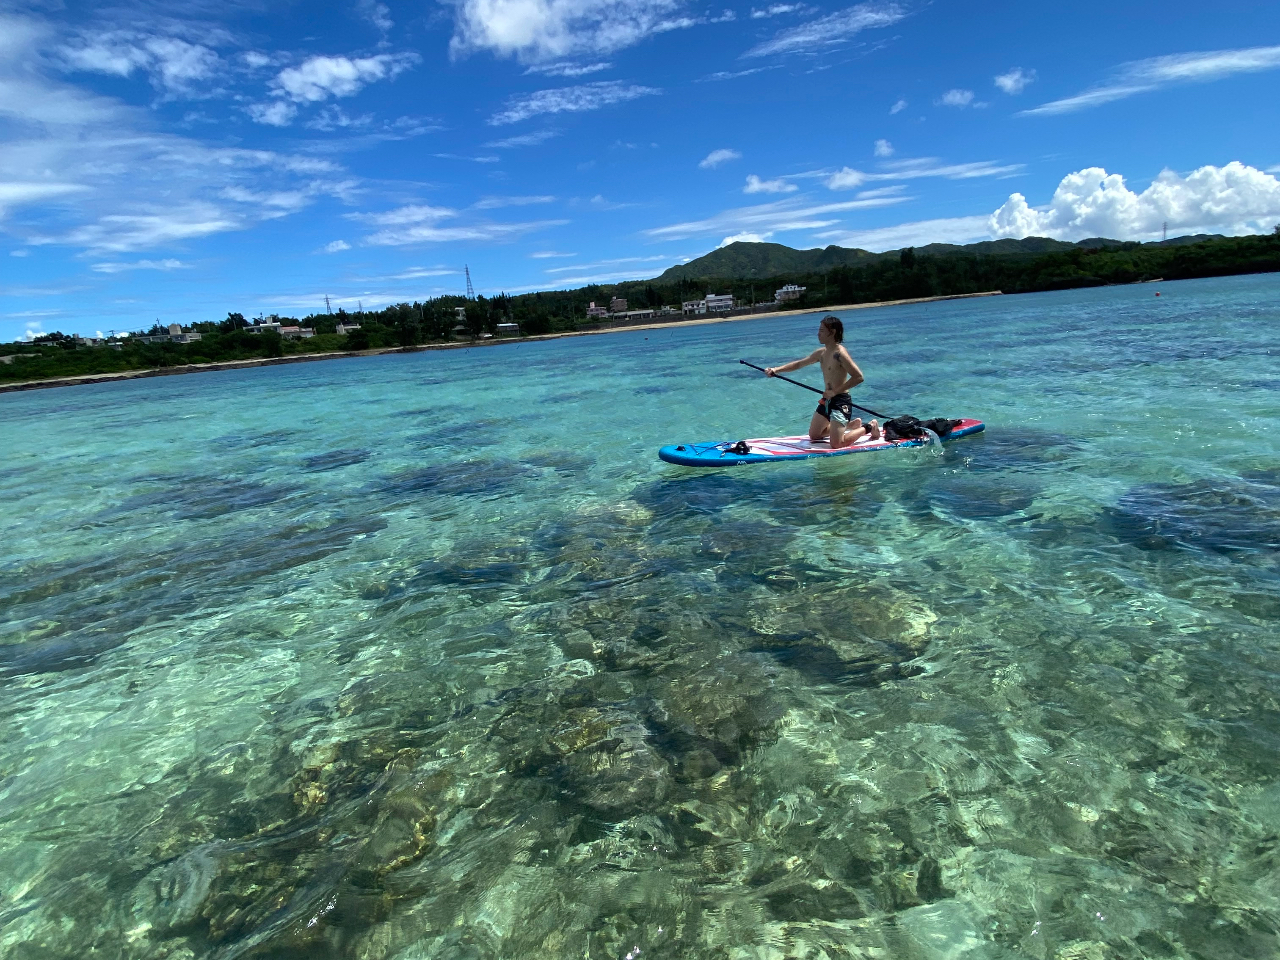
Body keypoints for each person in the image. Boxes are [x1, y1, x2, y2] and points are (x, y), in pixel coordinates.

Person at [765, 315, 880, 448]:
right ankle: (850, 425)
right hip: (827, 400)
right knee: (814, 435)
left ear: (833, 332)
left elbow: (858, 377)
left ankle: (869, 427)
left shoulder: (840, 354)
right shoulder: (822, 353)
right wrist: (776, 370)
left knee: (837, 444)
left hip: (841, 401)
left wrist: (835, 391)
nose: (818, 334)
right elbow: (799, 364)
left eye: (821, 331)